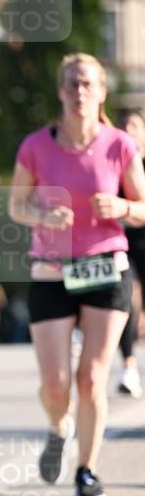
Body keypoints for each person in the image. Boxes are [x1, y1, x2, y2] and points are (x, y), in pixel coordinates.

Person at [9, 52, 145, 496]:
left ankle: (87, 470)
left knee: (92, 378)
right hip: (51, 271)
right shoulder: (35, 146)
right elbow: (16, 206)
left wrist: (123, 207)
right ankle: (57, 424)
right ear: (61, 91)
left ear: (102, 92)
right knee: (56, 385)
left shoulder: (120, 145)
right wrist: (42, 213)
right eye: (72, 84)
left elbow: (144, 207)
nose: (80, 91)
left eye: (88, 84)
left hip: (107, 268)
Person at [116, 110, 145, 398]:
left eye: (135, 125)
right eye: (123, 126)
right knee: (126, 304)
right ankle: (128, 367)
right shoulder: (113, 166)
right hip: (123, 246)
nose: (129, 130)